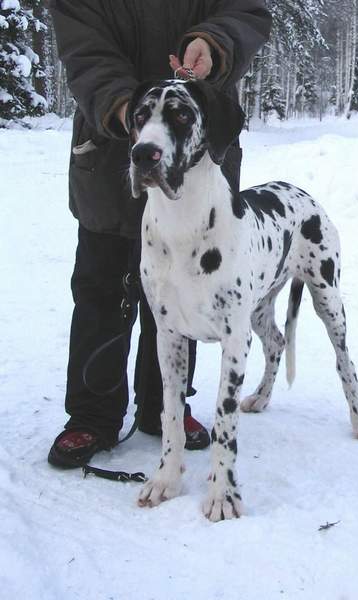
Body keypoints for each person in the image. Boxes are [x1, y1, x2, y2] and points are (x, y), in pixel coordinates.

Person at [47, 0, 272, 468]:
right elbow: (86, 53)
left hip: (199, 167)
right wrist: (135, 117)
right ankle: (92, 414)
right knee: (103, 291)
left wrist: (213, 43)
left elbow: (247, 11)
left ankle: (164, 408)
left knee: (189, 294)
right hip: (111, 149)